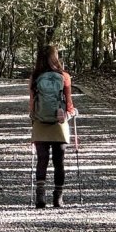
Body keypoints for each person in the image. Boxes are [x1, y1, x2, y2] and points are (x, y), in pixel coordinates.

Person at [29, 44, 76, 208]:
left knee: (42, 160)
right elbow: (69, 104)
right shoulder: (64, 76)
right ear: (56, 58)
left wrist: (33, 119)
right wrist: (71, 113)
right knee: (58, 161)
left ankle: (40, 197)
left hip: (40, 122)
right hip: (59, 122)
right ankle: (58, 198)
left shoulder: (35, 77)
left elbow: (32, 104)